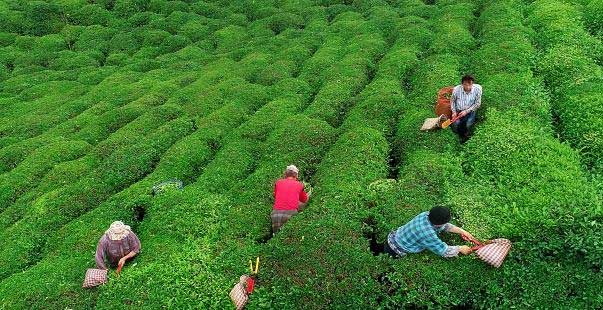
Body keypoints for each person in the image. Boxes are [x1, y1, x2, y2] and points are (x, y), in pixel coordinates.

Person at [384, 206, 474, 258]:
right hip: (396, 249)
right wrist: (460, 248)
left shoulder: (426, 214)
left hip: (393, 236)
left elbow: (445, 226)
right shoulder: (428, 234)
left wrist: (462, 231)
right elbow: (444, 251)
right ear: (439, 224)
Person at [271, 165, 311, 234]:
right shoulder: (299, 185)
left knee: (276, 237)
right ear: (296, 175)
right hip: (291, 214)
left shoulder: (278, 182)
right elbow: (304, 200)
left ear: (285, 174)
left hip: (276, 214)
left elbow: (275, 195)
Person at [450, 75, 482, 143]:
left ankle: (467, 136)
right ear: (462, 84)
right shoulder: (456, 90)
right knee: (456, 125)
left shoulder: (478, 89)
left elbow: (477, 104)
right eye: (465, 85)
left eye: (470, 84)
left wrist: (466, 111)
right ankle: (458, 137)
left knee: (468, 124)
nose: (468, 87)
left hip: (470, 110)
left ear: (472, 83)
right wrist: (454, 112)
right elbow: (452, 101)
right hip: (458, 110)